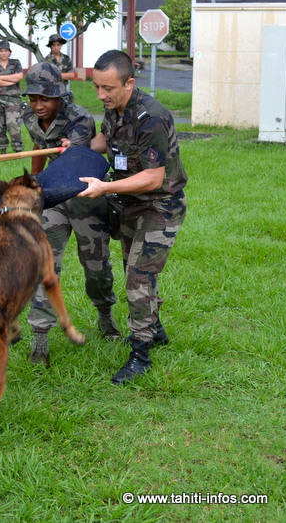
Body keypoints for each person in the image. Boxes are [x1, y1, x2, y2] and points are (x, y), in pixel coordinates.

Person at [77, 50, 188, 385]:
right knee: (135, 269)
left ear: (129, 83)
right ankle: (156, 330)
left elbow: (154, 178)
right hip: (130, 205)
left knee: (138, 277)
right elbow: (105, 140)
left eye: (108, 88)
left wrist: (105, 187)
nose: (101, 95)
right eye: (97, 88)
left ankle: (140, 353)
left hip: (161, 207)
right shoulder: (116, 109)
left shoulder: (151, 118)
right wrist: (78, 146)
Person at [20, 62, 118, 367]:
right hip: (55, 197)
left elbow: (75, 157)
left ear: (59, 98)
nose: (37, 105)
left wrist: (68, 148)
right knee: (45, 263)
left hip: (85, 194)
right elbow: (38, 146)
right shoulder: (30, 117)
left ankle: (105, 314)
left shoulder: (79, 118)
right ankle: (40, 338)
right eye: (33, 98)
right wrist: (32, 188)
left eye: (44, 99)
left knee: (96, 267)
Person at [0, 39, 25, 155]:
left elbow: (19, 76)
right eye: (1, 51)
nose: (4, 53)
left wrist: (2, 77)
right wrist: (10, 80)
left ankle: (17, 150)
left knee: (13, 125)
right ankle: (2, 150)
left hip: (13, 99)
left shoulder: (15, 63)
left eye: (6, 51)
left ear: (9, 52)